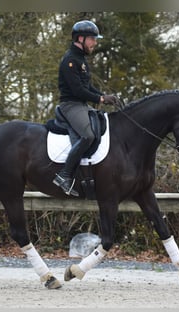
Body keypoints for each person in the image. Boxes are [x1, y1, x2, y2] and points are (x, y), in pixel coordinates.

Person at [53, 20, 121, 197]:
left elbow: (88, 87)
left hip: (81, 105)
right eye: (92, 39)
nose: (95, 43)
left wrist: (105, 96)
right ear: (80, 38)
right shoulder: (70, 60)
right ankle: (64, 175)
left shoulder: (80, 59)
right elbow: (78, 90)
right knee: (88, 135)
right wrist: (99, 98)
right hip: (70, 105)